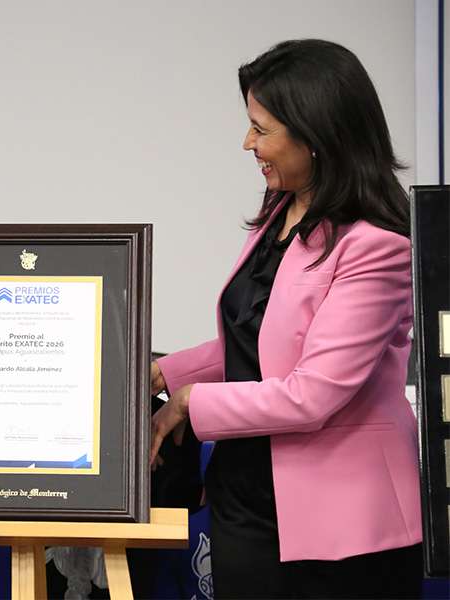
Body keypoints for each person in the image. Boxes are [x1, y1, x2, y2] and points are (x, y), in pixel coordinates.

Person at [149, 39, 422, 599]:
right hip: (246, 499)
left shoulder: (377, 246)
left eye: (261, 129)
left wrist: (189, 402)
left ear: (318, 135)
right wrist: (163, 373)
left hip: (342, 522)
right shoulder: (282, 212)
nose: (248, 143)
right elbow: (261, 343)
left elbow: (312, 394)